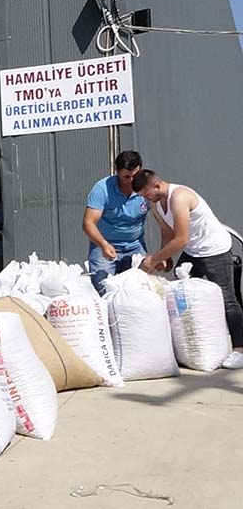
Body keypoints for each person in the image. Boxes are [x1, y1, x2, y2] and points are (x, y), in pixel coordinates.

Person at [132, 169, 243, 369]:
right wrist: (165, 258)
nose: (146, 199)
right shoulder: (155, 203)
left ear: (157, 185)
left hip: (214, 249)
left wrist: (154, 259)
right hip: (192, 251)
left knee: (227, 299)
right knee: (180, 295)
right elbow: (167, 231)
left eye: (147, 194)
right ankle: (188, 344)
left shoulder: (179, 197)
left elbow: (181, 238)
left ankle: (240, 350)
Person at [83, 150, 149, 295]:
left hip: (135, 246)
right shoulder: (102, 189)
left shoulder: (146, 188)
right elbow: (88, 223)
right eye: (126, 177)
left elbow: (163, 220)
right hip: (105, 246)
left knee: (141, 290)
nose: (131, 181)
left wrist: (163, 254)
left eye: (135, 175)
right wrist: (103, 244)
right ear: (117, 172)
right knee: (104, 289)